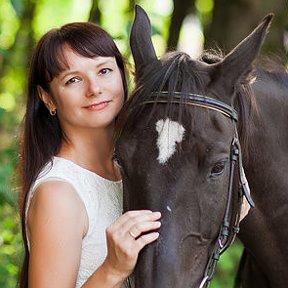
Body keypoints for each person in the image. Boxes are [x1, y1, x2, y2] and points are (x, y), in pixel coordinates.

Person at [17, 22, 161, 288]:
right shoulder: (59, 193)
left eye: (104, 70)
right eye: (73, 79)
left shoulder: (134, 170)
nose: (94, 88)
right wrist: (112, 269)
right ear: (47, 97)